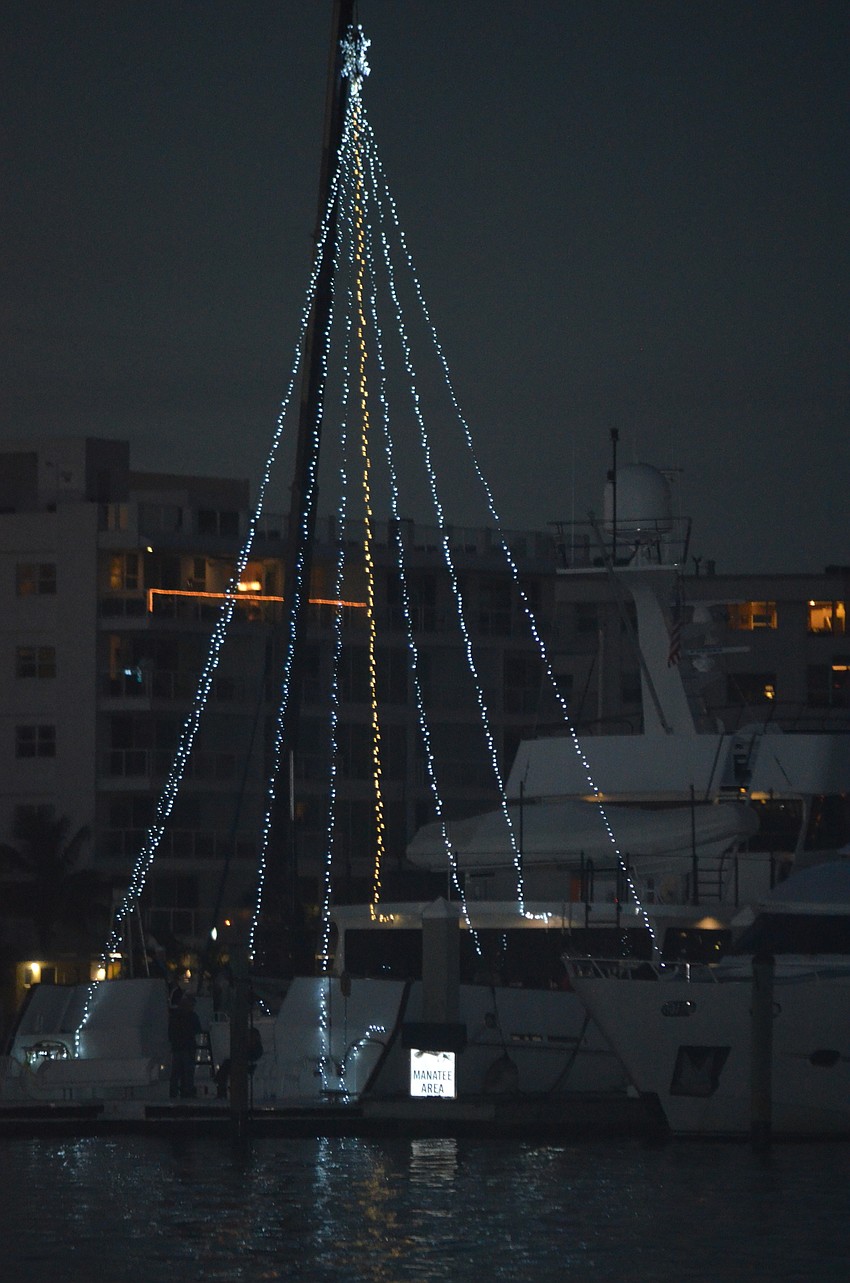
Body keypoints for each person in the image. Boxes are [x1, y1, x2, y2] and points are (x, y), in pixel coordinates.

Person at [215, 1024, 263, 1099]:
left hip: (249, 1066)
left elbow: (252, 1058)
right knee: (227, 1064)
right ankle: (222, 1087)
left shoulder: (257, 1048)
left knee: (227, 1065)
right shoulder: (249, 1046)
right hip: (243, 1064)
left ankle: (221, 1088)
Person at [168, 993, 202, 1099]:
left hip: (177, 1048)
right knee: (187, 1073)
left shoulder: (175, 1016)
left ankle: (174, 1093)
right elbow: (198, 1030)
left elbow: (171, 1032)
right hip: (187, 1048)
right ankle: (187, 1093)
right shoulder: (192, 1016)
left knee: (176, 1073)